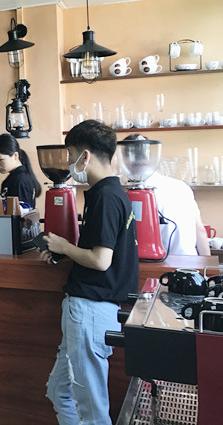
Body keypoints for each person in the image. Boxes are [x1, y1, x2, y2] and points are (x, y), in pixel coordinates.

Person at [40, 120, 139, 425]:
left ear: (85, 156)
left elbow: (100, 260)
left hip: (91, 311)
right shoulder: (108, 193)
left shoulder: (106, 197)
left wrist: (64, 246)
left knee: (92, 411)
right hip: (88, 310)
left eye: (70, 155)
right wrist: (64, 251)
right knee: (59, 392)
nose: (69, 163)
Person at [122, 134, 210, 256]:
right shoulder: (181, 186)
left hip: (155, 263)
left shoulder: (129, 193)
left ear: (124, 159)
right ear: (151, 157)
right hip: (189, 260)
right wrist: (207, 265)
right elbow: (200, 231)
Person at [0, 133, 42, 208]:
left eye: (0, 159)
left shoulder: (20, 180)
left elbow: (21, 212)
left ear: (15, 155)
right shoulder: (14, 178)